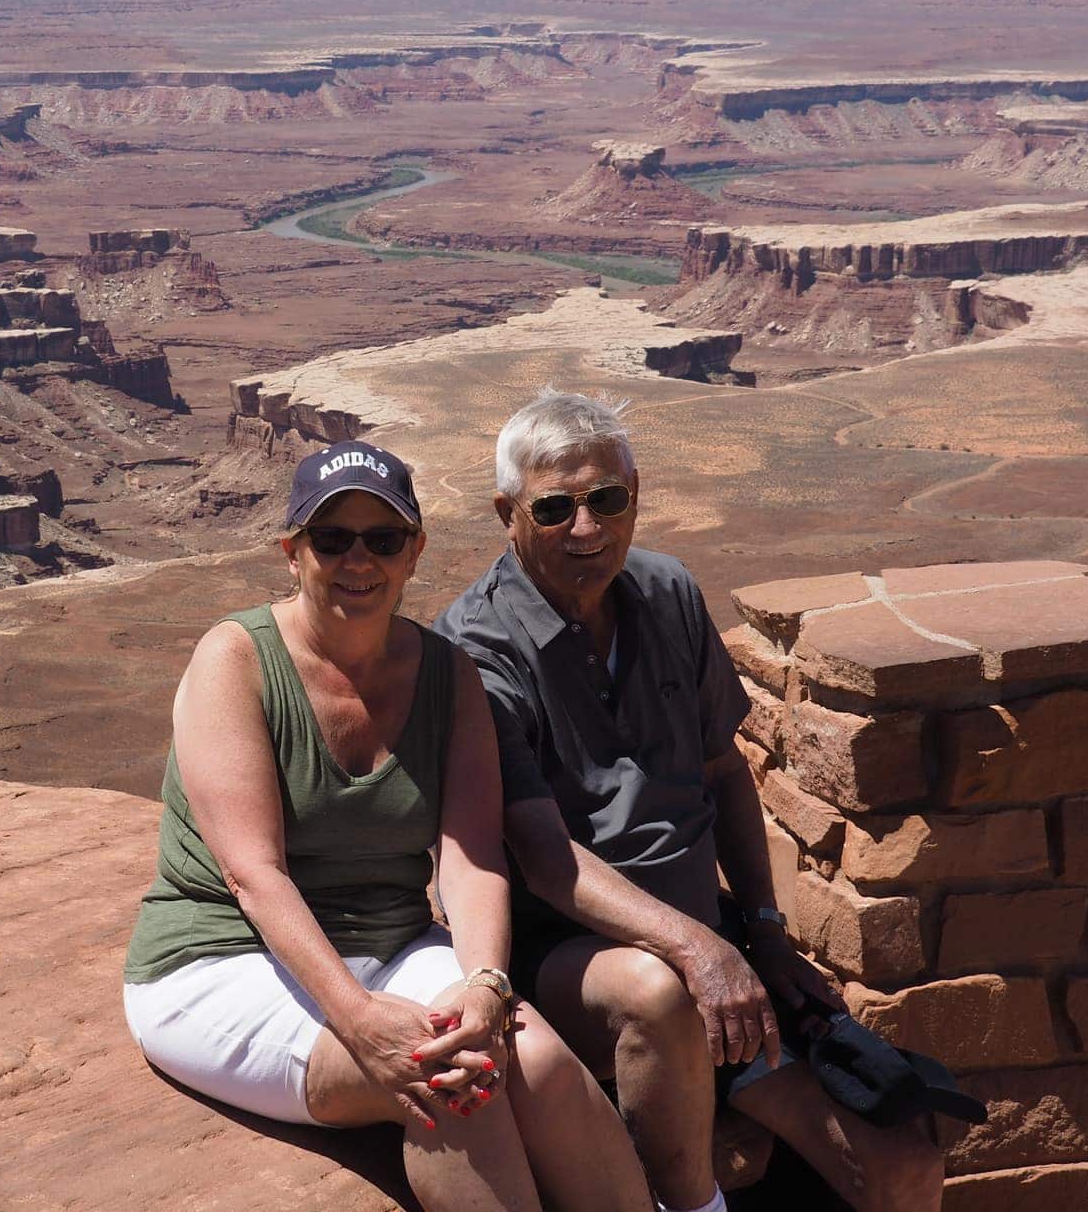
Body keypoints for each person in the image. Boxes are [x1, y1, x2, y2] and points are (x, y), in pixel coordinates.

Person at [434, 393, 946, 1212]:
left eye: (607, 499)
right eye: (555, 507)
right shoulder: (477, 649)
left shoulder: (667, 593)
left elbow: (724, 772)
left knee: (904, 1164)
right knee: (657, 992)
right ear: (509, 513)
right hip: (574, 958)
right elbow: (541, 855)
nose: (587, 528)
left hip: (711, 946)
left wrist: (767, 936)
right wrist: (698, 951)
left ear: (636, 492)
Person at [124, 439, 655, 1212]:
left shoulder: (449, 675)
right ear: (292, 552)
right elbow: (252, 874)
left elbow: (470, 859)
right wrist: (359, 1018)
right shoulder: (234, 660)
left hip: (392, 943)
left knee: (533, 1059)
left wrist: (484, 984)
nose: (358, 561)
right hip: (220, 961)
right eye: (332, 539)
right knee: (446, 1081)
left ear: (414, 552)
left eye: (383, 539)